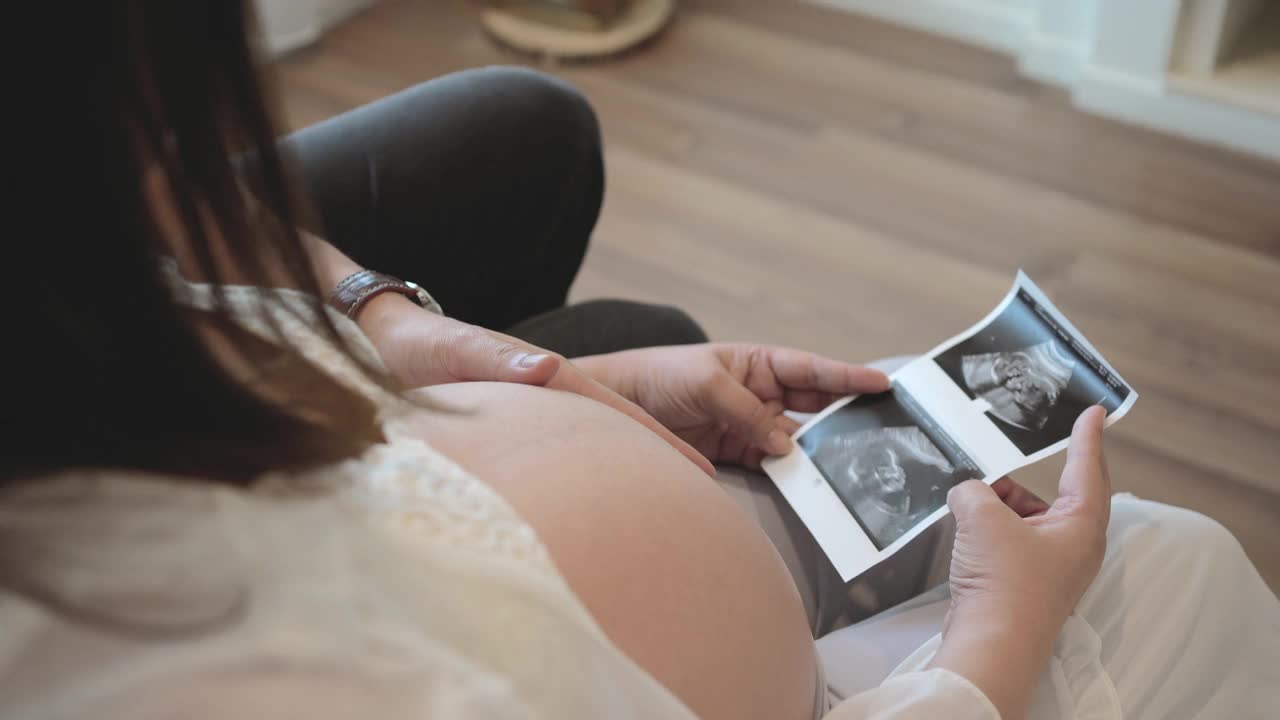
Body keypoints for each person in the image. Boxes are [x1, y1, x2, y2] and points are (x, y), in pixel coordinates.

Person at [4, 3, 1278, 720]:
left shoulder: (72, 262)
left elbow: (158, 230)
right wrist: (995, 647)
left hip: (469, 463)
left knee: (556, 184)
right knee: (1178, 562)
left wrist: (390, 327)